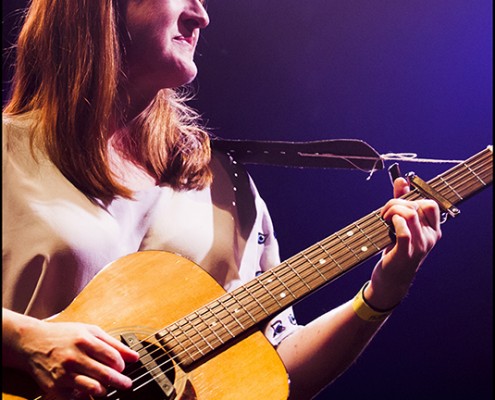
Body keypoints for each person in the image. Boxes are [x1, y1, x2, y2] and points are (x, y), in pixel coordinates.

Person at [2, 1, 442, 399]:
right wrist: (24, 340)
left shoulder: (224, 186)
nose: (202, 14)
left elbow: (275, 369)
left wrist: (383, 292)